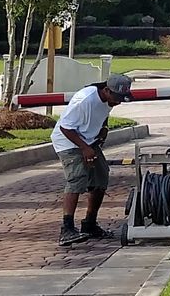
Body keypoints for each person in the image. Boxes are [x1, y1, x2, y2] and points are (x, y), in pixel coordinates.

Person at [52, 74, 134, 246]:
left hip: (88, 141)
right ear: (106, 90)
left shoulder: (109, 98)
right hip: (68, 141)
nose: (117, 103)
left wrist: (103, 128)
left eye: (121, 99)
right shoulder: (85, 100)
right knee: (77, 179)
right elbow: (66, 128)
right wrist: (85, 148)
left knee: (101, 177)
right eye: (116, 98)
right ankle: (66, 229)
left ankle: (90, 223)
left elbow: (103, 114)